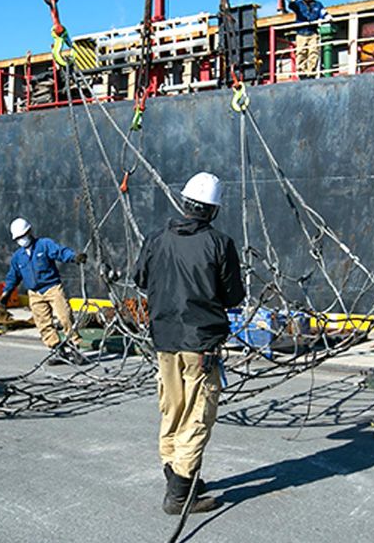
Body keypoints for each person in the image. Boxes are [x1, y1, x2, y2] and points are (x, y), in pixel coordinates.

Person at [133, 172, 244, 515]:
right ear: (213, 211)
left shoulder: (155, 239)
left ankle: (176, 471)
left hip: (164, 340)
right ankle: (180, 493)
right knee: (198, 414)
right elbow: (233, 296)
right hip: (200, 344)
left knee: (172, 408)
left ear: (184, 203)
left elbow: (140, 279)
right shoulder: (218, 243)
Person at [0, 218, 87, 364]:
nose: (22, 239)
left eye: (23, 236)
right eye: (19, 238)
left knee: (65, 317)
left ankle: (75, 347)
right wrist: (6, 292)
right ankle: (57, 350)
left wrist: (74, 257)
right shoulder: (17, 257)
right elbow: (13, 276)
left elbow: (60, 252)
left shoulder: (44, 245)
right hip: (34, 293)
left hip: (52, 288)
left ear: (29, 232)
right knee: (43, 323)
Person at [288, 0, 329, 79]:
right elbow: (292, 7)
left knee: (313, 53)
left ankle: (311, 73)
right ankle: (302, 74)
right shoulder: (299, 4)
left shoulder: (317, 5)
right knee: (301, 53)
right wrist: (292, 1)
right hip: (301, 33)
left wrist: (327, 17)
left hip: (313, 33)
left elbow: (323, 12)